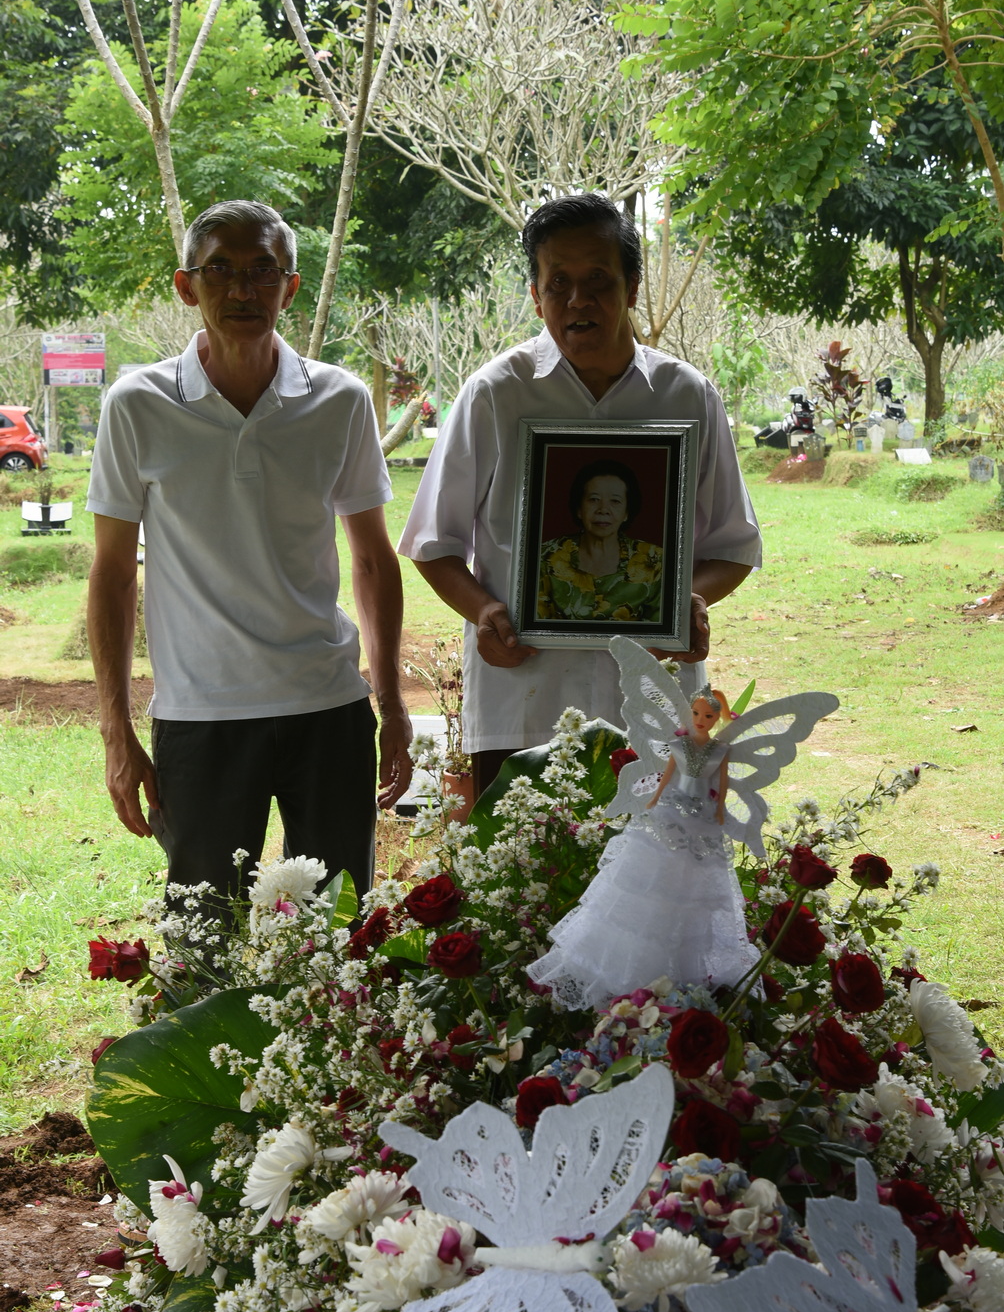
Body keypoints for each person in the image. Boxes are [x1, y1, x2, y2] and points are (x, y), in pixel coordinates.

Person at [86, 200, 412, 905]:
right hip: (200, 712)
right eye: (220, 271)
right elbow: (111, 575)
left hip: (327, 706)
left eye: (263, 271)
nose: (242, 289)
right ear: (186, 286)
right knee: (204, 928)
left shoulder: (341, 400)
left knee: (335, 930)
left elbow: (373, 561)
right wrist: (116, 730)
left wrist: (391, 704)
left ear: (290, 288)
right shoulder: (137, 404)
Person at [397, 192, 762, 799]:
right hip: (523, 698)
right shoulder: (496, 394)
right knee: (520, 856)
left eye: (598, 280)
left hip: (653, 696)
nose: (578, 300)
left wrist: (686, 603)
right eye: (558, 283)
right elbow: (434, 542)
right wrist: (484, 612)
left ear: (632, 288)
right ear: (535, 295)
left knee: (657, 856)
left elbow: (733, 545)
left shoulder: (687, 395)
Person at [526, 683, 760, 1010]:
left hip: (702, 818)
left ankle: (676, 985)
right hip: (670, 809)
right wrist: (653, 798)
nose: (700, 720)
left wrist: (720, 808)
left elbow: (720, 783)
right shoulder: (679, 744)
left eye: (708, 716)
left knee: (691, 888)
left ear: (716, 717)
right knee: (644, 879)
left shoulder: (720, 750)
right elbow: (667, 776)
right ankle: (623, 984)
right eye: (696, 713)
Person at [537, 458, 662, 621]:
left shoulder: (655, 561)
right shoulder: (544, 556)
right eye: (594, 499)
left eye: (615, 501)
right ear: (579, 509)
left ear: (626, 513)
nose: (603, 510)